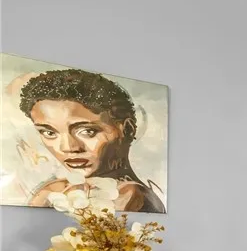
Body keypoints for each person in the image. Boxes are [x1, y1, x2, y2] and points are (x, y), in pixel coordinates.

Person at [18, 68, 164, 213]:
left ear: (127, 129)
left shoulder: (130, 196)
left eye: (87, 131)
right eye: (49, 132)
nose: (68, 147)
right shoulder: (52, 191)